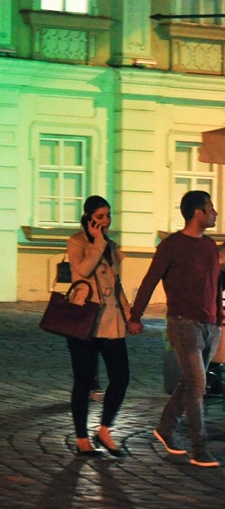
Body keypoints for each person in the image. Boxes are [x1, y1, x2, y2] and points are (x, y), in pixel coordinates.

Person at [126, 190, 224, 468]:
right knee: (198, 384)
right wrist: (136, 316)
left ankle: (166, 429)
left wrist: (218, 315)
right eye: (211, 208)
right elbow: (149, 281)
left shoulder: (209, 247)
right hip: (182, 324)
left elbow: (215, 283)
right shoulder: (171, 246)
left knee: (190, 382)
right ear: (198, 213)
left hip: (209, 325)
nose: (215, 213)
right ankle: (199, 447)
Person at [63, 195, 130, 456]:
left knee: (121, 377)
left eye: (108, 216)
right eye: (100, 217)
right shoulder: (77, 242)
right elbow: (82, 269)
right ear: (88, 218)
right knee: (84, 381)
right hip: (85, 321)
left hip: (111, 322)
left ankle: (104, 429)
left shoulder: (111, 246)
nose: (105, 221)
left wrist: (130, 316)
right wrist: (97, 243)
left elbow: (117, 285)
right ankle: (82, 437)